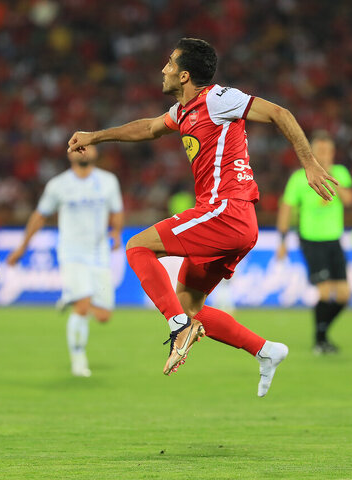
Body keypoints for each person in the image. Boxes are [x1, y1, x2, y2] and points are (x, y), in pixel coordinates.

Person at [67, 38, 338, 396]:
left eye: (168, 64)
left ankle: (179, 327)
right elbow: (148, 128)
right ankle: (265, 350)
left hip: (225, 211)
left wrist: (310, 164)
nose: (162, 69)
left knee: (137, 247)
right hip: (232, 222)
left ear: (183, 75)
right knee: (188, 306)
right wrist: (96, 137)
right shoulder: (183, 112)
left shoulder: (218, 99)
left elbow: (279, 114)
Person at [6, 146, 123, 377]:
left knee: (103, 316)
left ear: (96, 152)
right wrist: (22, 247)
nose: (82, 152)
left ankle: (71, 298)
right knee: (83, 305)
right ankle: (78, 360)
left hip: (99, 252)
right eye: (76, 147)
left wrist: (117, 232)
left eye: (86, 146)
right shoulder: (58, 185)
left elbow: (117, 210)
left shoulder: (108, 181)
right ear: (69, 154)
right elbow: (39, 216)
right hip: (72, 253)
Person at [276, 130, 352, 354]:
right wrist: (282, 240)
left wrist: (329, 175)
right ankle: (319, 341)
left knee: (344, 295)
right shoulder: (300, 178)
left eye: (328, 151)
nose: (325, 154)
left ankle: (322, 334)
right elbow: (286, 208)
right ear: (311, 152)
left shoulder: (340, 172)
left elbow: (348, 200)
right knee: (324, 291)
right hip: (311, 240)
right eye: (320, 151)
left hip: (334, 239)